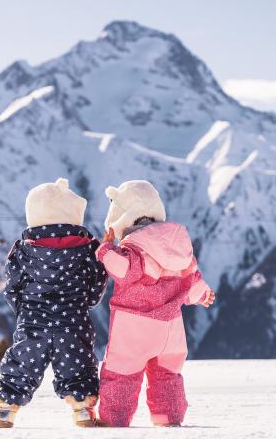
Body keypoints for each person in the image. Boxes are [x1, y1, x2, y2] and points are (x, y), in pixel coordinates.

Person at [0, 178, 107, 428]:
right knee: (78, 367)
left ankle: (5, 412)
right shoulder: (89, 251)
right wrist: (84, 303)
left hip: (33, 322)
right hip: (73, 322)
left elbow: (12, 287)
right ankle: (83, 412)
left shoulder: (22, 251)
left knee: (20, 366)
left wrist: (24, 311)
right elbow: (97, 284)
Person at [95, 180, 215, 427]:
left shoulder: (134, 247)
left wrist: (105, 250)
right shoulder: (177, 245)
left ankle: (114, 420)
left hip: (135, 327)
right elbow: (190, 278)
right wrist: (202, 295)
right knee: (167, 375)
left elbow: (125, 269)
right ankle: (167, 419)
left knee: (122, 375)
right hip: (171, 328)